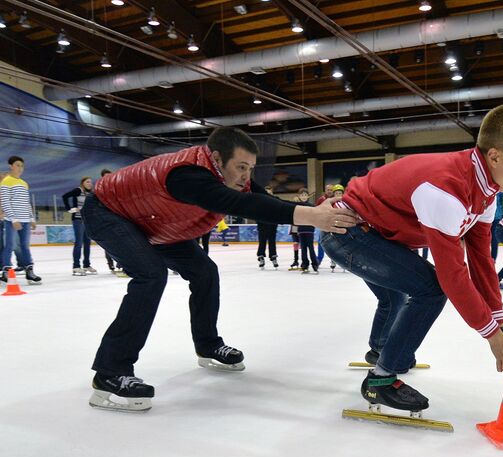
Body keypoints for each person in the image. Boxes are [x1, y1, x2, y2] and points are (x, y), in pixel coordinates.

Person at [81, 127, 356, 411]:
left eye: (250, 168)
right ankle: (110, 372)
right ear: (215, 158)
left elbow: (266, 201)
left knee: (204, 271)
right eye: (240, 167)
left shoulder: (230, 178)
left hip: (153, 221)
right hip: (108, 211)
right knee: (150, 275)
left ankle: (208, 344)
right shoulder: (187, 175)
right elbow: (239, 203)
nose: (246, 176)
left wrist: (319, 210)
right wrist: (312, 216)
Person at [321, 104, 503, 414]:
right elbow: (453, 275)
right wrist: (490, 334)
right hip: (347, 232)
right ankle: (381, 379)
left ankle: (383, 351)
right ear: (495, 156)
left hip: (376, 234)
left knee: (396, 297)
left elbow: (481, 261)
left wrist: (499, 322)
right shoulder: (446, 189)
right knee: (430, 288)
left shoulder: (487, 191)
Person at [1, 156, 41, 285]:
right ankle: (6, 271)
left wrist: (31, 218)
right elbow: (6, 202)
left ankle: (29, 271)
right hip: (12, 220)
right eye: (17, 165)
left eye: (22, 166)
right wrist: (13, 219)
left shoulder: (24, 183)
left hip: (25, 220)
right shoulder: (6, 181)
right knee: (10, 246)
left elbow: (26, 202)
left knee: (24, 246)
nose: (20, 168)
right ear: (11, 166)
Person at [62, 176, 97, 276]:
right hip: (78, 220)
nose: (90, 183)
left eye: (91, 182)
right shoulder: (78, 190)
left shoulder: (91, 193)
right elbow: (65, 196)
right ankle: (76, 266)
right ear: (83, 183)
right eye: (87, 182)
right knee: (78, 242)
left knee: (87, 243)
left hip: (87, 221)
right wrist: (70, 209)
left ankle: (86, 265)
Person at [99, 169, 120, 274]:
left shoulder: (115, 189)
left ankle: (120, 265)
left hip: (116, 219)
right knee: (109, 244)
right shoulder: (98, 190)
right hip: (104, 221)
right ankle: (111, 264)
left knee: (121, 242)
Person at [296, 188, 319, 273]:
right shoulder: (297, 206)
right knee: (303, 248)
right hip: (301, 230)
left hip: (309, 230)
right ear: (299, 196)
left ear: (308, 196)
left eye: (305, 195)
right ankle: (305, 264)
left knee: (311, 247)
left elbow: (315, 217)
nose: (304, 196)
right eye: (302, 195)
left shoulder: (311, 206)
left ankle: (315, 264)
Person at [256, 185, 279, 269]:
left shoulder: (276, 200)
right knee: (262, 242)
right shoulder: (259, 201)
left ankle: (273, 257)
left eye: (269, 193)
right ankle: (261, 256)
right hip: (262, 225)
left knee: (272, 242)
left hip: (272, 225)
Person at [314, 183, 335, 265]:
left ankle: (334, 259)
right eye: (328, 190)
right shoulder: (321, 199)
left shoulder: (335, 199)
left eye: (331, 190)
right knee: (321, 241)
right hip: (322, 224)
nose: (329, 191)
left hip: (333, 224)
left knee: (333, 242)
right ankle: (319, 259)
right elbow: (316, 210)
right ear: (325, 190)